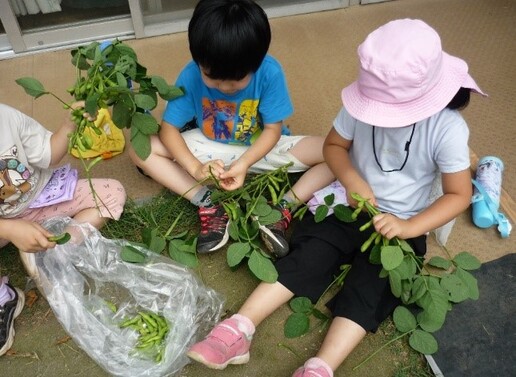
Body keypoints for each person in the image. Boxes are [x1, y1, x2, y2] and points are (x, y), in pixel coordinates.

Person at [186, 18, 486, 376]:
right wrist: (351, 178)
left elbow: (458, 194)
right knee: (307, 256)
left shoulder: (449, 128)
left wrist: (409, 227)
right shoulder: (363, 103)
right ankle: (239, 329)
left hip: (402, 224)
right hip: (346, 203)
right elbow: (334, 146)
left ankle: (321, 366)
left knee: (372, 287)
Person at [129, 0, 333, 256]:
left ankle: (279, 209)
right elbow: (168, 129)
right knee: (140, 148)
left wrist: (246, 162)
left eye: (237, 80)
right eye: (212, 77)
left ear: (256, 63)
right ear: (198, 59)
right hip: (210, 148)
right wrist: (195, 168)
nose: (224, 87)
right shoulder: (191, 74)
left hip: (262, 148)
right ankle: (208, 201)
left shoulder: (269, 72)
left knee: (336, 151)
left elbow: (272, 130)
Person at [0, 102, 127, 356]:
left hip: (43, 198)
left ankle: (59, 247)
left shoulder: (6, 117)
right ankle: (5, 298)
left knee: (112, 193)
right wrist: (11, 230)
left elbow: (47, 154)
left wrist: (69, 125)